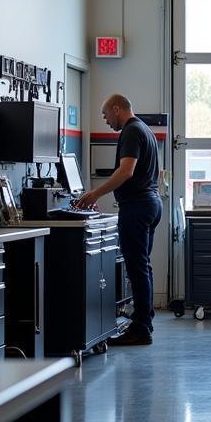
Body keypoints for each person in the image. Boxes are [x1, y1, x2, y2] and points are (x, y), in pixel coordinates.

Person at [74, 94, 162, 347]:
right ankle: (144, 322)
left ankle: (141, 328)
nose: (105, 120)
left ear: (116, 108)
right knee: (142, 267)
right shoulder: (145, 129)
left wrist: (94, 194)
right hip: (151, 203)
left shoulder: (131, 131)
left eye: (105, 115)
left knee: (137, 269)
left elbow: (126, 171)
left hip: (138, 207)